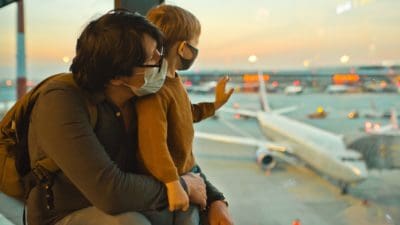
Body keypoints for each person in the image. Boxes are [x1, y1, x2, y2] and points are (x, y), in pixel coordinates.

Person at [26, 10, 228, 225]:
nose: (162, 60)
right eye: (152, 57)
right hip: (65, 213)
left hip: (127, 200)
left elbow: (178, 156)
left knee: (188, 214)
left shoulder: (140, 94)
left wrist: (216, 200)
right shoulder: (61, 102)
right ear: (117, 76)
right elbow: (110, 191)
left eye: (159, 51)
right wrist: (183, 186)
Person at [133, 4, 234, 225]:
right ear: (182, 48)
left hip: (186, 173)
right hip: (168, 181)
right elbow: (153, 144)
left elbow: (188, 114)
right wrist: (172, 183)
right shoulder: (156, 90)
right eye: (195, 44)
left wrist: (215, 104)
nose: (196, 51)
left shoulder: (174, 81)